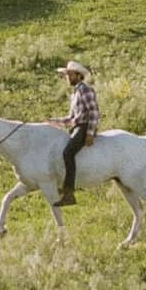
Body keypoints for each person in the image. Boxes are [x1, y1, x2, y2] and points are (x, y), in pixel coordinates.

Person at [57, 61, 99, 205]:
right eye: (66, 75)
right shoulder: (75, 93)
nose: (66, 77)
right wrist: (51, 122)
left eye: (69, 74)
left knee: (67, 153)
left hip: (84, 127)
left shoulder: (85, 90)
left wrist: (90, 133)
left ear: (78, 75)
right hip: (77, 126)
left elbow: (93, 111)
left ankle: (69, 193)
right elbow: (70, 118)